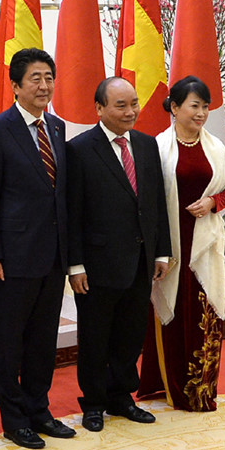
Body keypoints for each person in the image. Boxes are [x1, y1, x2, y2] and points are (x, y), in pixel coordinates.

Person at [0, 48, 74, 449]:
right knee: (11, 343)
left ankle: (39, 410)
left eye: (49, 77)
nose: (44, 85)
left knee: (43, 339)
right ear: (15, 85)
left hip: (53, 255)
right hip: (13, 258)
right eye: (35, 78)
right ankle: (14, 419)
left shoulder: (58, 127)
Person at [66, 77, 171, 432]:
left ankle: (122, 397)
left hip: (141, 261)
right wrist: (75, 264)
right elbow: (72, 213)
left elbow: (156, 203)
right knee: (95, 337)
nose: (130, 112)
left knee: (129, 335)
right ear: (99, 108)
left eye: (134, 104)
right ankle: (93, 402)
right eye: (121, 106)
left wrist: (162, 252)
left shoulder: (145, 145)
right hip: (96, 265)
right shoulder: (79, 149)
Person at [137, 76, 225, 412]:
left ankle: (199, 389)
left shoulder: (216, 148)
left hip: (204, 246)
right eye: (195, 106)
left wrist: (212, 203)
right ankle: (166, 384)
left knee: (203, 312)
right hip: (169, 243)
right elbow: (148, 199)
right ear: (174, 107)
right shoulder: (158, 147)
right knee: (170, 309)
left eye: (206, 107)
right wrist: (155, 250)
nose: (201, 113)